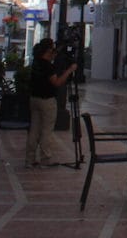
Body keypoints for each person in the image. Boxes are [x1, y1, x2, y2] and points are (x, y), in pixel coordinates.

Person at [26, 38, 77, 167]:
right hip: (47, 100)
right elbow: (57, 82)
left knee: (34, 129)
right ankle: (45, 158)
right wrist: (69, 70)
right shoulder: (48, 66)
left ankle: (29, 159)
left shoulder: (36, 62)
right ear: (48, 51)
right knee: (46, 130)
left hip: (34, 99)